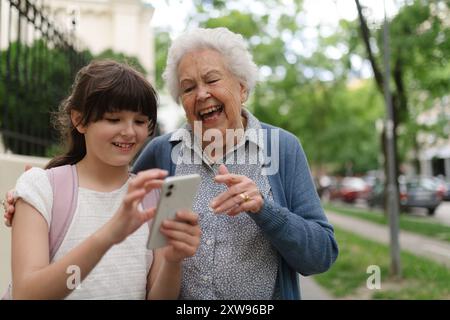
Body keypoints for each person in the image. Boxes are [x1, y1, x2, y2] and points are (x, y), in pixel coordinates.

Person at [5, 27, 338, 300]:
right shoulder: (162, 152)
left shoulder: (282, 148)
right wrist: (34, 194)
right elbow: (106, 173)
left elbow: (321, 255)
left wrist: (265, 209)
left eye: (212, 80)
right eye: (188, 88)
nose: (201, 94)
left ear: (242, 88)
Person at [4, 59, 201, 299]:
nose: (129, 132)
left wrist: (172, 260)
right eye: (113, 119)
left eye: (139, 121)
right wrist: (108, 236)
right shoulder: (41, 187)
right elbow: (27, 294)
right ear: (79, 120)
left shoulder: (154, 196)